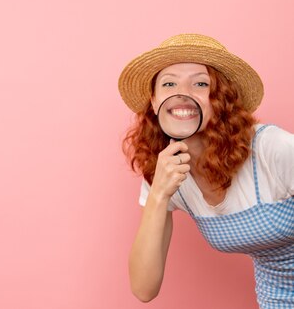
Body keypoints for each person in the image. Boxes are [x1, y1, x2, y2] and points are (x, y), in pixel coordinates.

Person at [117, 33, 294, 309]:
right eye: (169, 83)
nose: (183, 94)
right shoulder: (165, 171)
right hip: (277, 298)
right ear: (154, 101)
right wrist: (158, 194)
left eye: (200, 83)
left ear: (219, 98)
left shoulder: (272, 148)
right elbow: (143, 288)